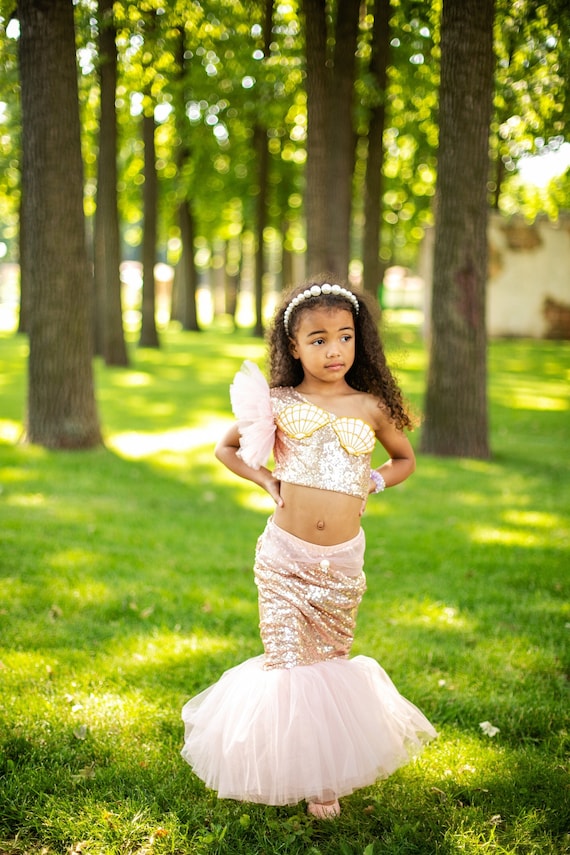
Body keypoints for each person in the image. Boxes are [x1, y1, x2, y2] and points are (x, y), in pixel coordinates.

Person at [181, 275, 437, 819]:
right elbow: (227, 449)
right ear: (292, 347)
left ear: (358, 341)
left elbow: (404, 460)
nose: (333, 349)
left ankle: (326, 771)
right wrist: (267, 481)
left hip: (342, 563)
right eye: (317, 339)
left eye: (344, 336)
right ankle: (296, 772)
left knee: (329, 662)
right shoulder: (276, 401)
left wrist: (376, 481)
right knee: (288, 663)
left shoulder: (370, 407)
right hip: (284, 558)